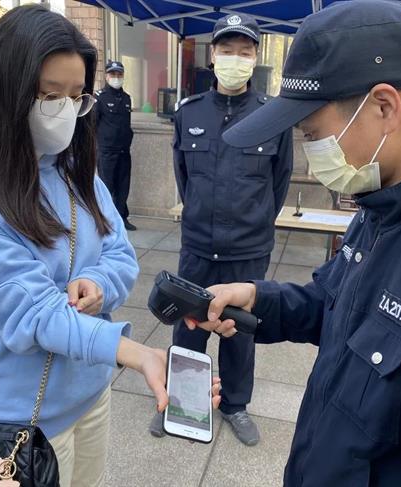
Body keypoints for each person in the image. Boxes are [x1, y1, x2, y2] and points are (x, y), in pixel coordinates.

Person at [188, 1, 401, 486]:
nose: (311, 153)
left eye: (313, 134)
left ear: (384, 107)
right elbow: (338, 303)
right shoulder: (385, 192)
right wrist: (260, 298)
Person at [0, 6, 221, 487]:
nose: (64, 110)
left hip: (91, 390)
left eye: (76, 96)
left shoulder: (73, 170)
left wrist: (98, 283)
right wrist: (136, 353)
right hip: (22, 416)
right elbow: (34, 312)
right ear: (8, 91)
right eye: (49, 95)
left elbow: (120, 254)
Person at [149, 13, 294, 446]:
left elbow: (279, 183)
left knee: (240, 330)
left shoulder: (272, 116)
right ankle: (181, 402)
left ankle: (234, 404)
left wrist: (252, 224)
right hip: (198, 245)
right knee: (189, 325)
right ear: (212, 56)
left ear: (255, 57)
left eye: (244, 52)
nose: (235, 59)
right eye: (227, 50)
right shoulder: (189, 112)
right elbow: (184, 177)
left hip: (248, 249)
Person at [95, 60, 136, 231]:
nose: (116, 77)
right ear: (106, 76)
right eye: (113, 74)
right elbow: (92, 125)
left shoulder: (126, 98)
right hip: (106, 151)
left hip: (123, 151)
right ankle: (105, 221)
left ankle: (121, 219)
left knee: (123, 187)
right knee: (107, 187)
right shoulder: (99, 98)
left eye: (119, 74)